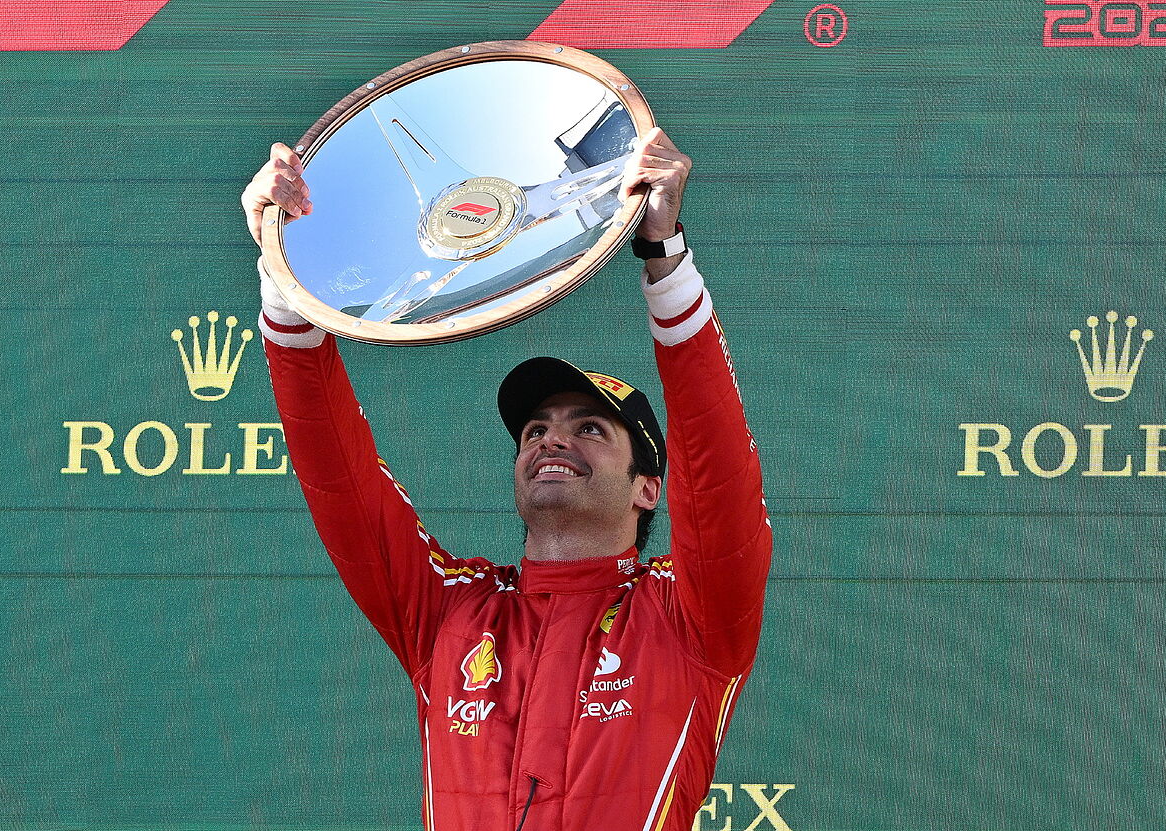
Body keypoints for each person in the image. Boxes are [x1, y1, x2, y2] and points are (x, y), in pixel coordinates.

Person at [241, 129, 772, 831]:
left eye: (590, 428)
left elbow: (718, 472)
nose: (552, 438)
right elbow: (341, 479)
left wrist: (664, 259)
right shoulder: (449, 610)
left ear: (649, 487)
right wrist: (286, 278)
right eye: (535, 430)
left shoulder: (687, 615)